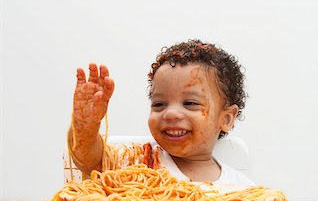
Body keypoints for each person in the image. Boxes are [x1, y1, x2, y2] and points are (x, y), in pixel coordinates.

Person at [67, 39, 254, 188]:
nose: (170, 113)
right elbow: (89, 160)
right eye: (159, 104)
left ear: (226, 118)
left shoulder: (241, 190)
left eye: (190, 103)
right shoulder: (138, 162)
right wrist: (85, 125)